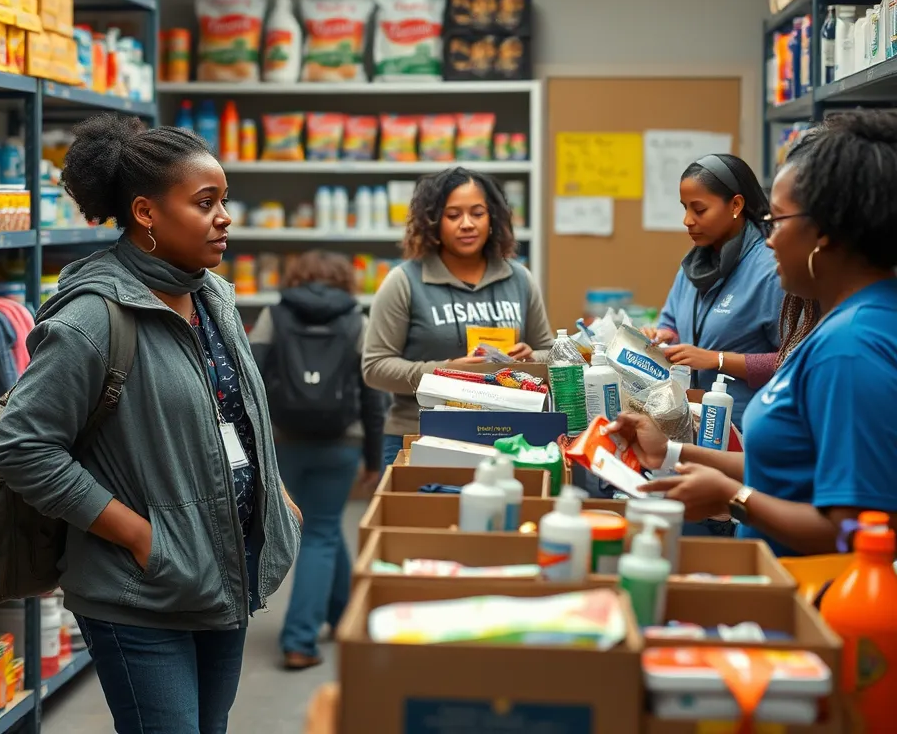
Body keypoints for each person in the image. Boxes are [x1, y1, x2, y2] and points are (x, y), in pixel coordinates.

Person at [0, 115, 300, 734]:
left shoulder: (212, 296)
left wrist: (276, 494)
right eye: (205, 202)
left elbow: (234, 410)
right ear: (146, 213)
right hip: (142, 591)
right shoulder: (93, 318)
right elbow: (23, 447)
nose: (224, 218)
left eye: (225, 201)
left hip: (223, 572)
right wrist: (139, 536)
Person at [610, 111, 897, 556]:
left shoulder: (850, 350)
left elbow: (858, 532)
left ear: (824, 232)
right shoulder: (848, 326)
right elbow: (784, 468)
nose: (768, 240)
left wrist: (732, 499)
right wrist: (668, 453)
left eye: (778, 221)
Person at [249, 251, 386, 672]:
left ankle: (343, 615)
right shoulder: (357, 320)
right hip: (340, 441)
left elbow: (252, 376)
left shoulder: (276, 314)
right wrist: (373, 456)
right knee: (322, 532)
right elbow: (372, 396)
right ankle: (299, 640)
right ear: (345, 280)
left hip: (283, 440)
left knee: (318, 529)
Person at [363, 166, 553, 470]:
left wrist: (531, 358)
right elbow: (374, 367)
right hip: (420, 435)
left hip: (507, 437)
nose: (467, 224)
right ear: (433, 223)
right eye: (453, 216)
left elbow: (551, 355)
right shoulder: (403, 281)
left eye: (477, 213)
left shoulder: (519, 279)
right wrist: (445, 373)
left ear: (493, 218)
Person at [642, 152, 784, 423]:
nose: (687, 220)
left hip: (747, 431)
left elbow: (794, 361)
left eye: (699, 209)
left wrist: (717, 360)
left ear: (736, 205)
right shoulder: (693, 266)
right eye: (684, 208)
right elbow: (672, 323)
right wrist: (661, 335)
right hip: (693, 422)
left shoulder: (771, 272)